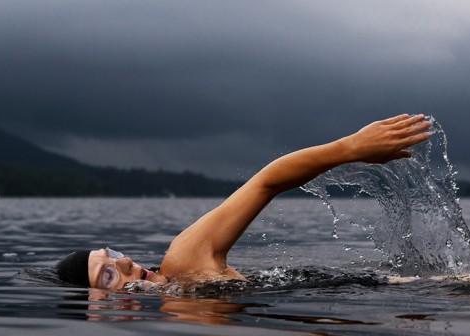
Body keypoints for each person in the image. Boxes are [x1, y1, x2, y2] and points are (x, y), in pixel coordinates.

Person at [56, 113, 432, 290]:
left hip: (410, 289)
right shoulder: (181, 327)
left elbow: (265, 183)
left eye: (113, 254)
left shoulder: (184, 262)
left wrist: (350, 148)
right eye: (107, 274)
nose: (124, 262)